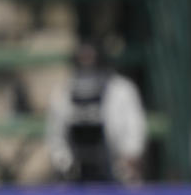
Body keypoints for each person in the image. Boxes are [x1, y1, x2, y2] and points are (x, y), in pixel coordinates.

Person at [46, 40, 147, 184]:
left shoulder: (121, 90)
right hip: (76, 174)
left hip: (115, 170)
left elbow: (134, 128)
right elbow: (55, 135)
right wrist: (65, 164)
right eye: (82, 59)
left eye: (90, 58)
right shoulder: (64, 92)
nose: (87, 64)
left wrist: (128, 158)